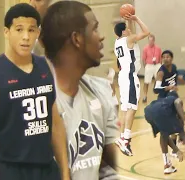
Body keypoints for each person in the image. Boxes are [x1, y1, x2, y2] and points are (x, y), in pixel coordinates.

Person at [0, 3, 69, 180]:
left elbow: (55, 124)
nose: (26, 37)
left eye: (31, 30)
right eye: (19, 29)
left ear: (38, 33)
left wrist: (65, 172)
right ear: (6, 32)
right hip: (8, 170)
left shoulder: (46, 66)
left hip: (46, 168)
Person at [40, 1, 119, 179]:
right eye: (95, 29)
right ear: (77, 39)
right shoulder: (39, 100)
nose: (101, 37)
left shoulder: (102, 91)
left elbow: (109, 170)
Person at [144, 91, 185, 174]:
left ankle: (167, 165)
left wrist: (176, 150)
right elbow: (177, 102)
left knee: (163, 135)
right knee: (183, 134)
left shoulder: (162, 101)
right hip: (160, 111)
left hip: (148, 113)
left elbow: (167, 137)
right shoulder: (174, 99)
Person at [113, 14, 150, 156]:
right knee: (132, 108)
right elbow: (146, 32)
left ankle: (122, 137)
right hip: (129, 76)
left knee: (125, 108)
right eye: (127, 28)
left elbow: (132, 33)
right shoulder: (128, 39)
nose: (130, 30)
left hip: (123, 76)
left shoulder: (118, 42)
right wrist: (136, 19)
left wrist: (129, 20)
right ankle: (126, 139)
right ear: (124, 32)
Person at [142, 34, 162, 103]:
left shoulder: (158, 48)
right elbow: (143, 59)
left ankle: (160, 95)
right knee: (146, 82)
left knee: (159, 80)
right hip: (149, 65)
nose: (150, 42)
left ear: (154, 41)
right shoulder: (145, 48)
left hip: (157, 65)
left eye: (151, 41)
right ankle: (145, 96)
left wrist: (160, 65)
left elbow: (160, 58)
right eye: (149, 41)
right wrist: (146, 66)